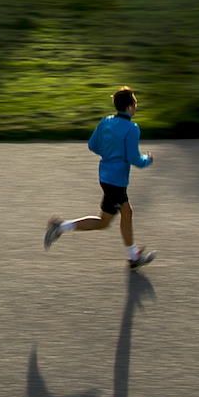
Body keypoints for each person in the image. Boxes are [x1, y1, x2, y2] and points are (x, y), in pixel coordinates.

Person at [43, 87, 156, 269]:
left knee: (112, 218)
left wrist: (109, 153)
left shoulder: (105, 122)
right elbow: (133, 158)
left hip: (105, 176)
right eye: (134, 103)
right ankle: (61, 227)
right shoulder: (132, 129)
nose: (136, 106)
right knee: (118, 216)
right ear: (128, 107)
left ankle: (132, 255)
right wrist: (147, 161)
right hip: (116, 180)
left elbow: (93, 145)